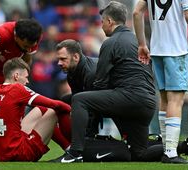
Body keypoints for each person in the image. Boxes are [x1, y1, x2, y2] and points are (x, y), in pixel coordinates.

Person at [52, 1, 158, 162]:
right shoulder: (139, 41)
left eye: (102, 22)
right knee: (139, 153)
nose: (101, 26)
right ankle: (183, 147)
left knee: (79, 99)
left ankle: (75, 153)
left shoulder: (110, 43)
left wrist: (88, 113)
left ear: (110, 21)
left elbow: (100, 83)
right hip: (149, 102)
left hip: (129, 98)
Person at [133, 0, 188, 163]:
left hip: (157, 50)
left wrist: (141, 44)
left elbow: (136, 12)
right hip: (176, 51)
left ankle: (166, 148)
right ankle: (171, 153)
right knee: (176, 100)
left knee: (165, 100)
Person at [0, 18, 43, 161]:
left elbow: (26, 60)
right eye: (25, 45)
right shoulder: (1, 35)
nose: (27, 49)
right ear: (16, 37)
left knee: (18, 102)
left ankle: (18, 144)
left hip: (10, 67)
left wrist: (22, 79)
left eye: (31, 46)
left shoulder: (34, 36)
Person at [0, 58, 71, 161]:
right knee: (54, 110)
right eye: (26, 77)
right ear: (16, 76)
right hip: (19, 153)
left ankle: (69, 148)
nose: (27, 81)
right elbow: (54, 104)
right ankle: (73, 150)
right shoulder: (17, 89)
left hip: (1, 155)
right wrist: (72, 109)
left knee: (41, 109)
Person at [55, 39, 100, 136]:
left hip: (120, 99)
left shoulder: (91, 73)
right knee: (64, 101)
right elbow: (76, 99)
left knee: (81, 102)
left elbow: (91, 106)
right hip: (95, 99)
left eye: (63, 59)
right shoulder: (71, 72)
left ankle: (86, 141)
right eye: (58, 59)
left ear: (75, 57)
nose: (59, 63)